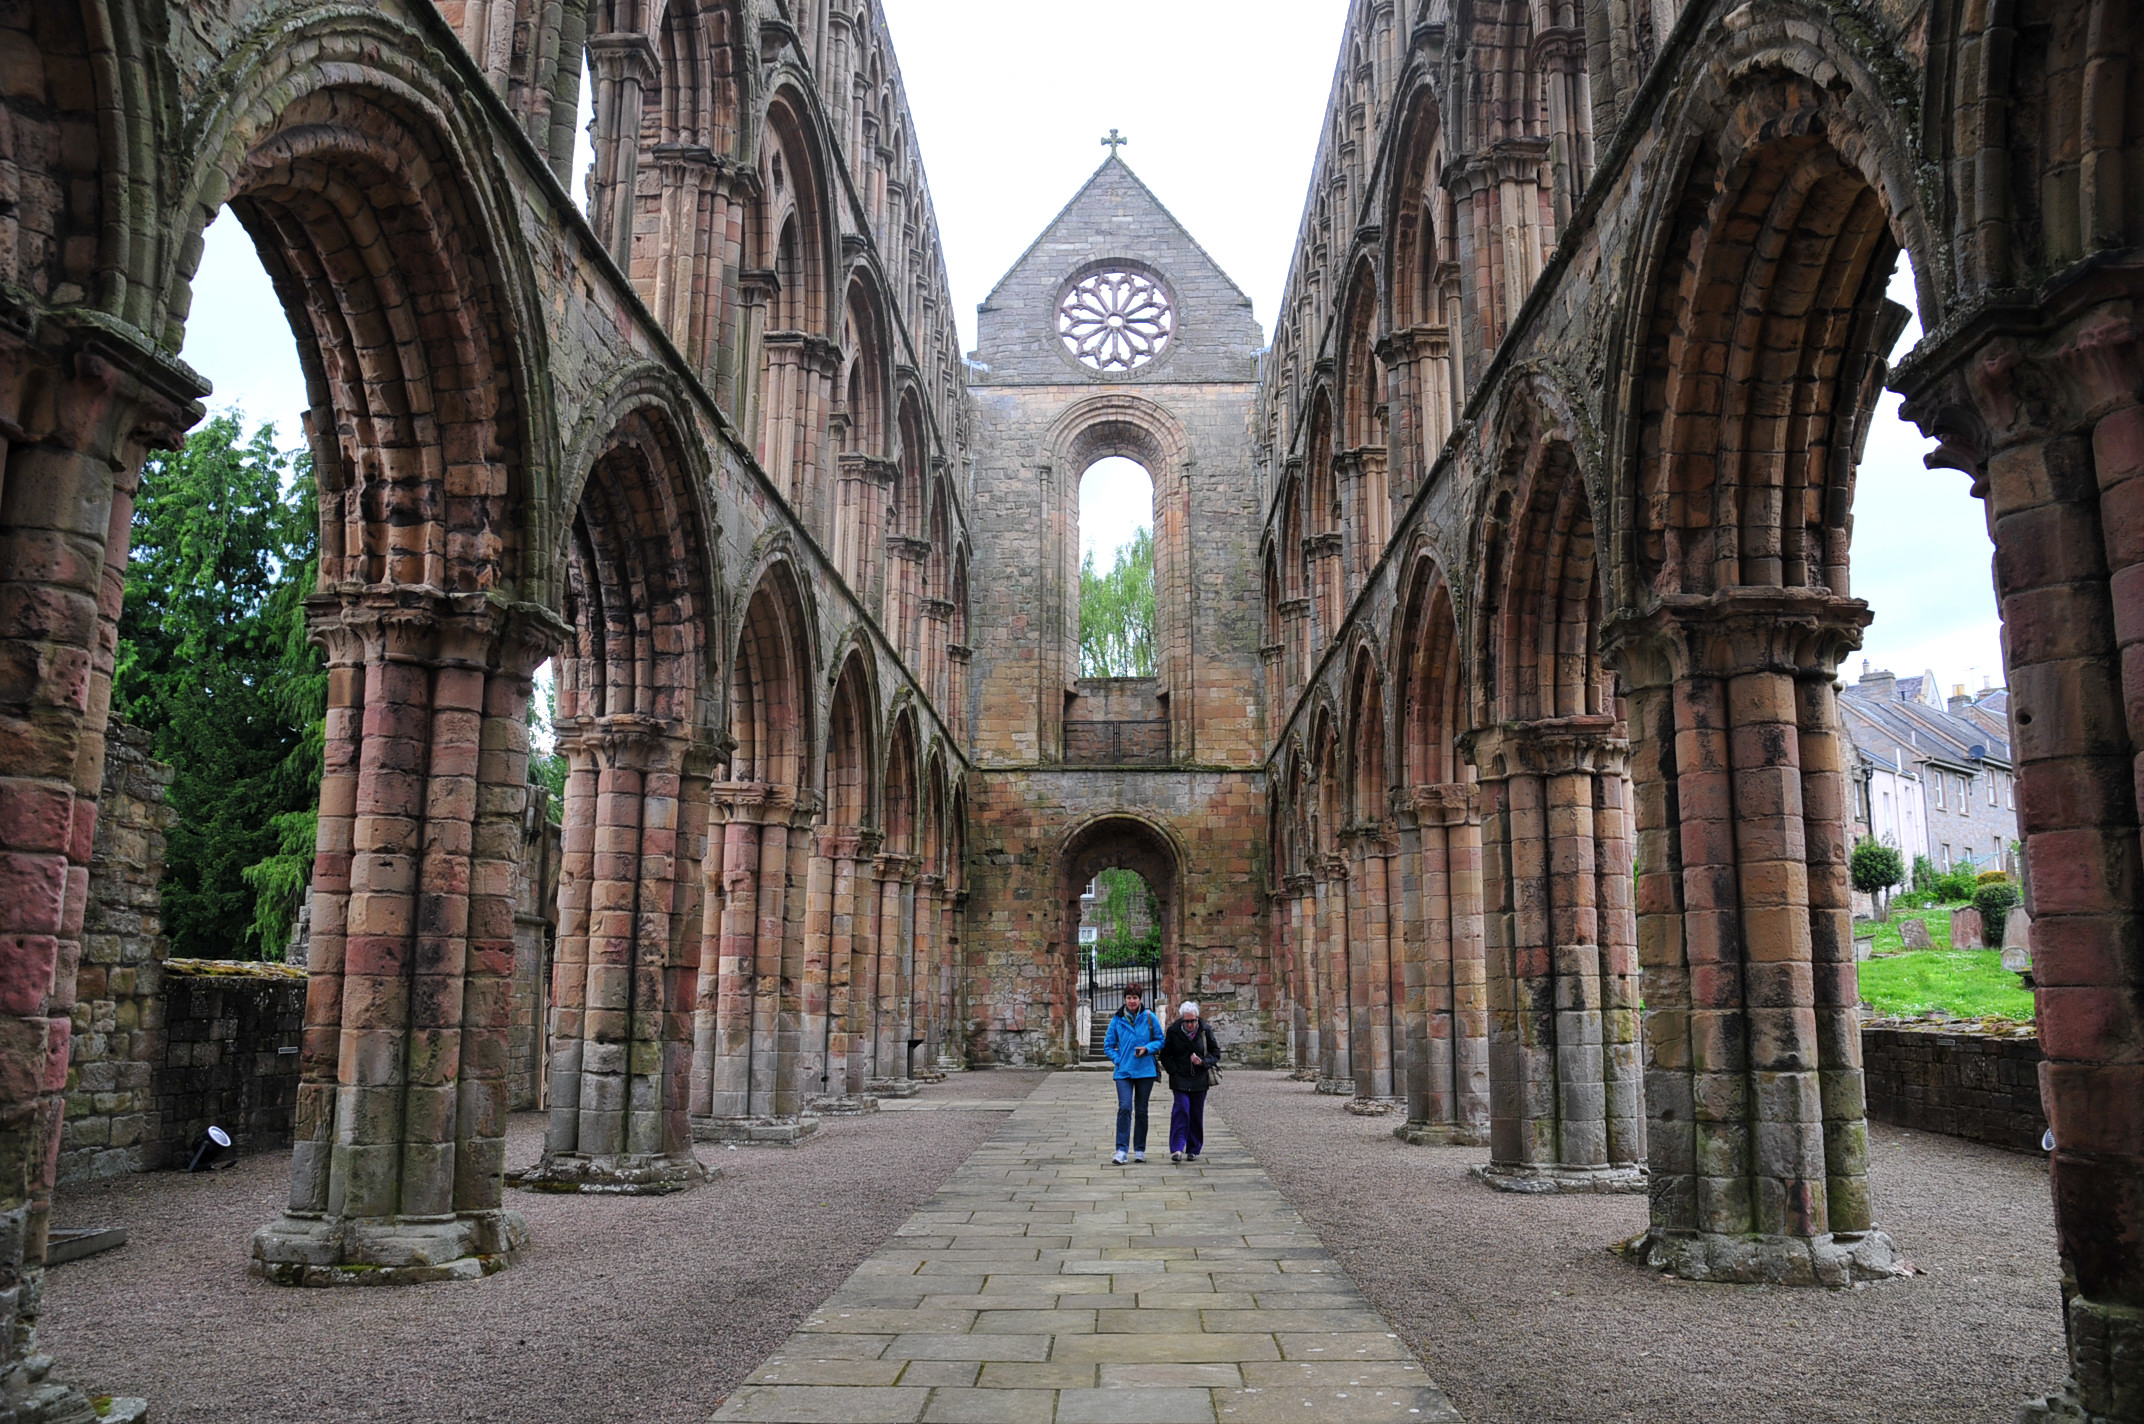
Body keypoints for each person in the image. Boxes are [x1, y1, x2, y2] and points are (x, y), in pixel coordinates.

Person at [1104, 984, 1164, 1164]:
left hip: (1145, 1071)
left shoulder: (1149, 1017)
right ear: (1125, 999)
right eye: (1129, 997)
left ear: (1140, 999)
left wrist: (1147, 1048)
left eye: (1135, 998)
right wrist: (1119, 1060)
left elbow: (1160, 1040)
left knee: (1142, 1110)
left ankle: (1139, 1149)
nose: (1132, 1001)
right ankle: (1121, 1150)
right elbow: (1108, 1045)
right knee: (1124, 1107)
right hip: (1124, 1071)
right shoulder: (1117, 1019)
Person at [1158, 1000, 1218, 1163]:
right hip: (1180, 1078)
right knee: (1182, 1109)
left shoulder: (1205, 1030)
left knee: (1196, 1113)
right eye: (1187, 1021)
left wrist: (1203, 1062)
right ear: (1182, 1019)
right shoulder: (1174, 1031)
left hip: (1199, 1078)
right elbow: (1165, 1055)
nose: (1190, 1024)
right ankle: (1177, 1148)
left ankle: (1193, 1148)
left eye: (1193, 1021)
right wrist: (1173, 1070)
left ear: (1197, 1019)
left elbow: (1215, 1052)